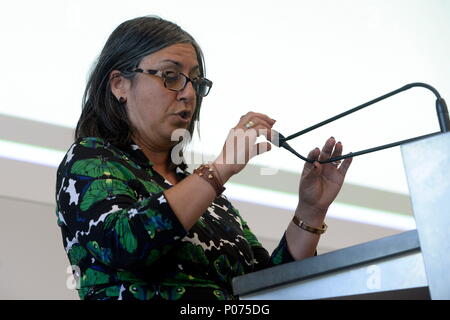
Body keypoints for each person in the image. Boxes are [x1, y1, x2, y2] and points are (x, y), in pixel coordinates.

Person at [55, 15, 352, 300]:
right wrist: (220, 169)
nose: (188, 94)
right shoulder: (91, 159)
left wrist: (310, 212)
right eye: (170, 77)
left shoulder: (203, 191)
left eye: (196, 82)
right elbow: (125, 244)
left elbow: (264, 288)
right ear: (119, 84)